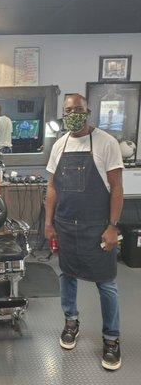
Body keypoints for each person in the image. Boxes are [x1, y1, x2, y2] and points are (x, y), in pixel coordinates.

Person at [44, 93, 124, 371]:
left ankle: (112, 339)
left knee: (106, 284)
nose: (72, 114)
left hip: (97, 227)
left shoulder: (106, 142)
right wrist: (48, 222)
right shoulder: (59, 145)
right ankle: (71, 322)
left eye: (78, 109)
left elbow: (116, 188)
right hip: (66, 226)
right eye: (68, 110)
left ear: (88, 111)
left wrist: (113, 227)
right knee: (67, 277)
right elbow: (52, 187)